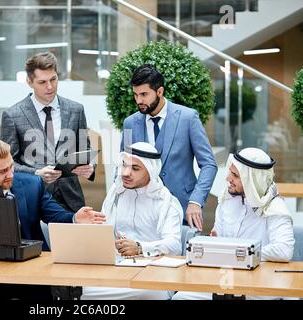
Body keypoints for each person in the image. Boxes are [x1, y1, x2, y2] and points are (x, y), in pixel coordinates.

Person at [0, 138, 105, 300]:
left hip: (32, 278)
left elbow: (57, 216)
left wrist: (75, 218)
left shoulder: (33, 184)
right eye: (2, 171)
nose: (10, 174)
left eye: (11, 167)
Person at [173, 147, 295, 300]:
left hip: (259, 285)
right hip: (223, 280)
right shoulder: (226, 201)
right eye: (230, 172)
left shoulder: (275, 207)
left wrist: (241, 253)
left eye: (235, 175)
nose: (228, 178)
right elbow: (220, 239)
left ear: (252, 180)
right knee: (182, 297)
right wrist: (214, 243)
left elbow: (284, 250)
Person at [121, 64, 217, 231]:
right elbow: (125, 164)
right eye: (135, 95)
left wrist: (195, 201)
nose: (139, 101)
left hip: (182, 206)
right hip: (143, 210)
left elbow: (209, 164)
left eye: (144, 94)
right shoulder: (130, 123)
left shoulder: (188, 118)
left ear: (160, 91)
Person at [81, 142, 182, 300]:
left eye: (135, 168)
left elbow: (175, 245)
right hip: (116, 269)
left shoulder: (166, 202)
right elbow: (104, 230)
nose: (126, 173)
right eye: (124, 165)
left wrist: (140, 248)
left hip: (154, 273)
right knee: (89, 291)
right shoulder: (116, 193)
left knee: (146, 292)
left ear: (151, 170)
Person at [1, 51, 95, 213]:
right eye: (42, 82)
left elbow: (84, 151)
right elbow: (6, 164)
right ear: (29, 82)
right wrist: (36, 173)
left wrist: (90, 167)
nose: (50, 86)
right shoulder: (13, 115)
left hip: (71, 199)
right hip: (32, 199)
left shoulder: (76, 110)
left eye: (53, 79)